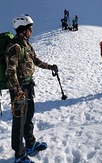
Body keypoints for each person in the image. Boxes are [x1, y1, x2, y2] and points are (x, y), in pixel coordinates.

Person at [5, 14, 58, 163]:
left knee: (29, 116)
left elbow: (35, 60)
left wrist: (50, 67)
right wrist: (17, 89)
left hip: (28, 86)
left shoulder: (27, 45)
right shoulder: (14, 46)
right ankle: (19, 154)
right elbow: (10, 70)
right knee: (19, 121)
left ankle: (30, 143)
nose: (32, 31)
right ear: (23, 30)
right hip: (19, 89)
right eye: (30, 29)